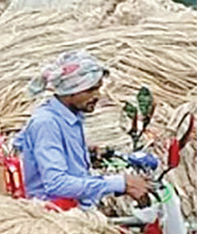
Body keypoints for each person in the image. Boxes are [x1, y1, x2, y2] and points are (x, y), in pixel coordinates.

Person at [13, 51, 150, 209]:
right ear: (70, 92)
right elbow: (56, 184)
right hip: (55, 213)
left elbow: (24, 144)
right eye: (90, 90)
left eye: (98, 89)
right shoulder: (47, 123)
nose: (97, 96)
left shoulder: (70, 117)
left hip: (76, 207)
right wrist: (121, 183)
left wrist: (87, 152)